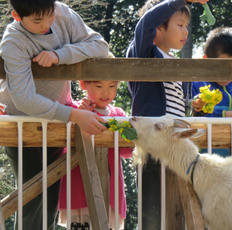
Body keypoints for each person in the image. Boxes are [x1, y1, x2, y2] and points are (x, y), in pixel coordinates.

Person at [0, 0, 109, 229]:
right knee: (32, 199)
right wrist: (75, 116)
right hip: (23, 124)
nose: (47, 24)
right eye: (37, 20)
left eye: (49, 15)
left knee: (50, 198)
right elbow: (24, 99)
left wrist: (60, 55)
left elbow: (99, 45)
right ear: (17, 16)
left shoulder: (63, 14)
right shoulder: (13, 41)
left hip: (58, 118)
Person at [125, 0, 208, 228]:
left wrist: (196, 108)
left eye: (186, 25)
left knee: (178, 211)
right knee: (152, 213)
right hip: (152, 146)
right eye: (180, 24)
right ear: (158, 28)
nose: (186, 31)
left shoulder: (178, 65)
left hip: (176, 151)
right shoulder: (143, 53)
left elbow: (178, 107)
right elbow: (145, 24)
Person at [58, 80, 133, 230]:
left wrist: (129, 134)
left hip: (109, 187)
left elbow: (127, 152)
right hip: (81, 186)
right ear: (84, 85)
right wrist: (83, 113)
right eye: (99, 86)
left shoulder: (118, 114)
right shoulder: (74, 109)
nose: (106, 92)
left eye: (112, 86)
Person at [191, 27, 232, 157]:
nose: (228, 72)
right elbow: (192, 120)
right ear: (206, 61)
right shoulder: (197, 87)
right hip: (204, 163)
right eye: (223, 65)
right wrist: (222, 115)